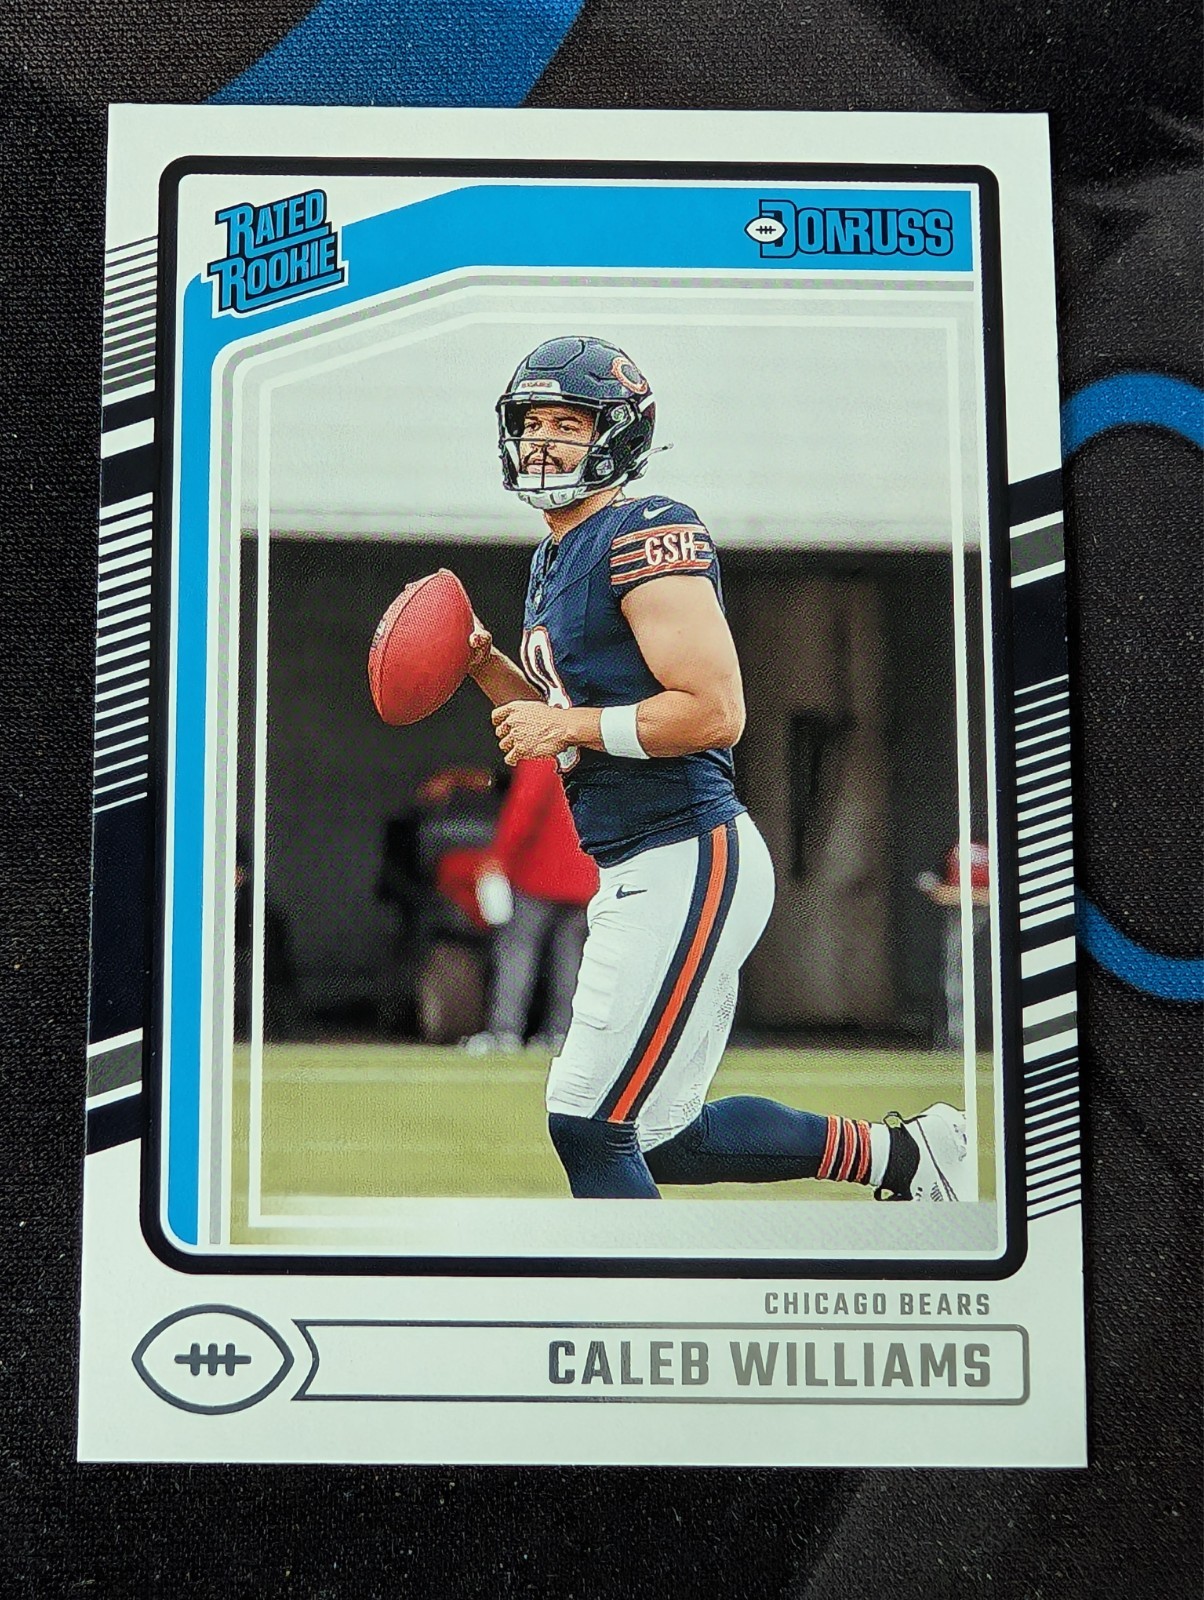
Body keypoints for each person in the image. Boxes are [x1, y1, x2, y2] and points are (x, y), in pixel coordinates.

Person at [463, 335, 967, 1201]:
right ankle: (907, 1158)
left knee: (588, 1124)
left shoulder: (645, 531)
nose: (542, 442)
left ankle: (634, 1292)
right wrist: (481, 664)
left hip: (686, 853)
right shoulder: (553, 557)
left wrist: (564, 723)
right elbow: (561, 726)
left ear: (617, 435)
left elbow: (712, 711)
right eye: (532, 422)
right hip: (641, 861)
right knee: (665, 1138)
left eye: (567, 425)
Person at [463, 755, 598, 1054]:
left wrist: (498, 858)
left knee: (516, 953)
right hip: (584, 875)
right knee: (571, 960)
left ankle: (505, 1032)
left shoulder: (542, 751)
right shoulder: (591, 749)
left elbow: (525, 807)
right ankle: (562, 1034)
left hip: (540, 872)